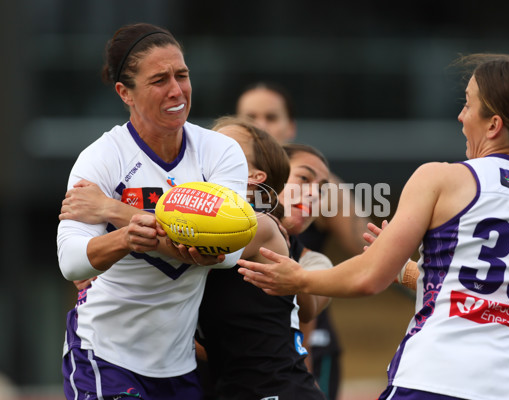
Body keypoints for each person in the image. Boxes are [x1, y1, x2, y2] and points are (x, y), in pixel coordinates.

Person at [237, 53, 509, 400]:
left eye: (468, 105)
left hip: (437, 377)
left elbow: (369, 278)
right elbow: (488, 299)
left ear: (494, 125)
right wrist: (410, 270)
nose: (461, 116)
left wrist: (299, 278)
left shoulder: (442, 177)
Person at [56, 23, 248, 400]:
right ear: (124, 93)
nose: (176, 90)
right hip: (103, 353)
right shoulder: (99, 158)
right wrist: (125, 239)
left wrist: (119, 213)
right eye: (159, 80)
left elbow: (229, 252)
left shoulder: (220, 152)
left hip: (178, 364)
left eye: (182, 75)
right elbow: (72, 263)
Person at [196, 117, 330, 399]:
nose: (312, 193)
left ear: (257, 178)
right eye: (303, 179)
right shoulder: (254, 224)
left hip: (276, 390)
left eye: (320, 188)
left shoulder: (260, 227)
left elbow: (173, 250)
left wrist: (111, 215)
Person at [237, 82, 351, 399]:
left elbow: (367, 254)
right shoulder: (217, 201)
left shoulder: (309, 251)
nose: (260, 127)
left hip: (289, 360)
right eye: (250, 117)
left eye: (271, 117)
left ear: (290, 126)